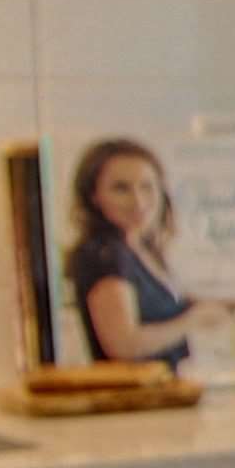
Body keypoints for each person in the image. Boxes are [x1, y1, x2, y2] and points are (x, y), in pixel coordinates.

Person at [65, 137, 194, 369]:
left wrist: (232, 306)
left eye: (147, 187)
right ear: (94, 196)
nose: (138, 201)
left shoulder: (139, 249)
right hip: (136, 390)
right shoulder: (107, 255)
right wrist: (192, 322)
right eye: (121, 188)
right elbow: (123, 344)